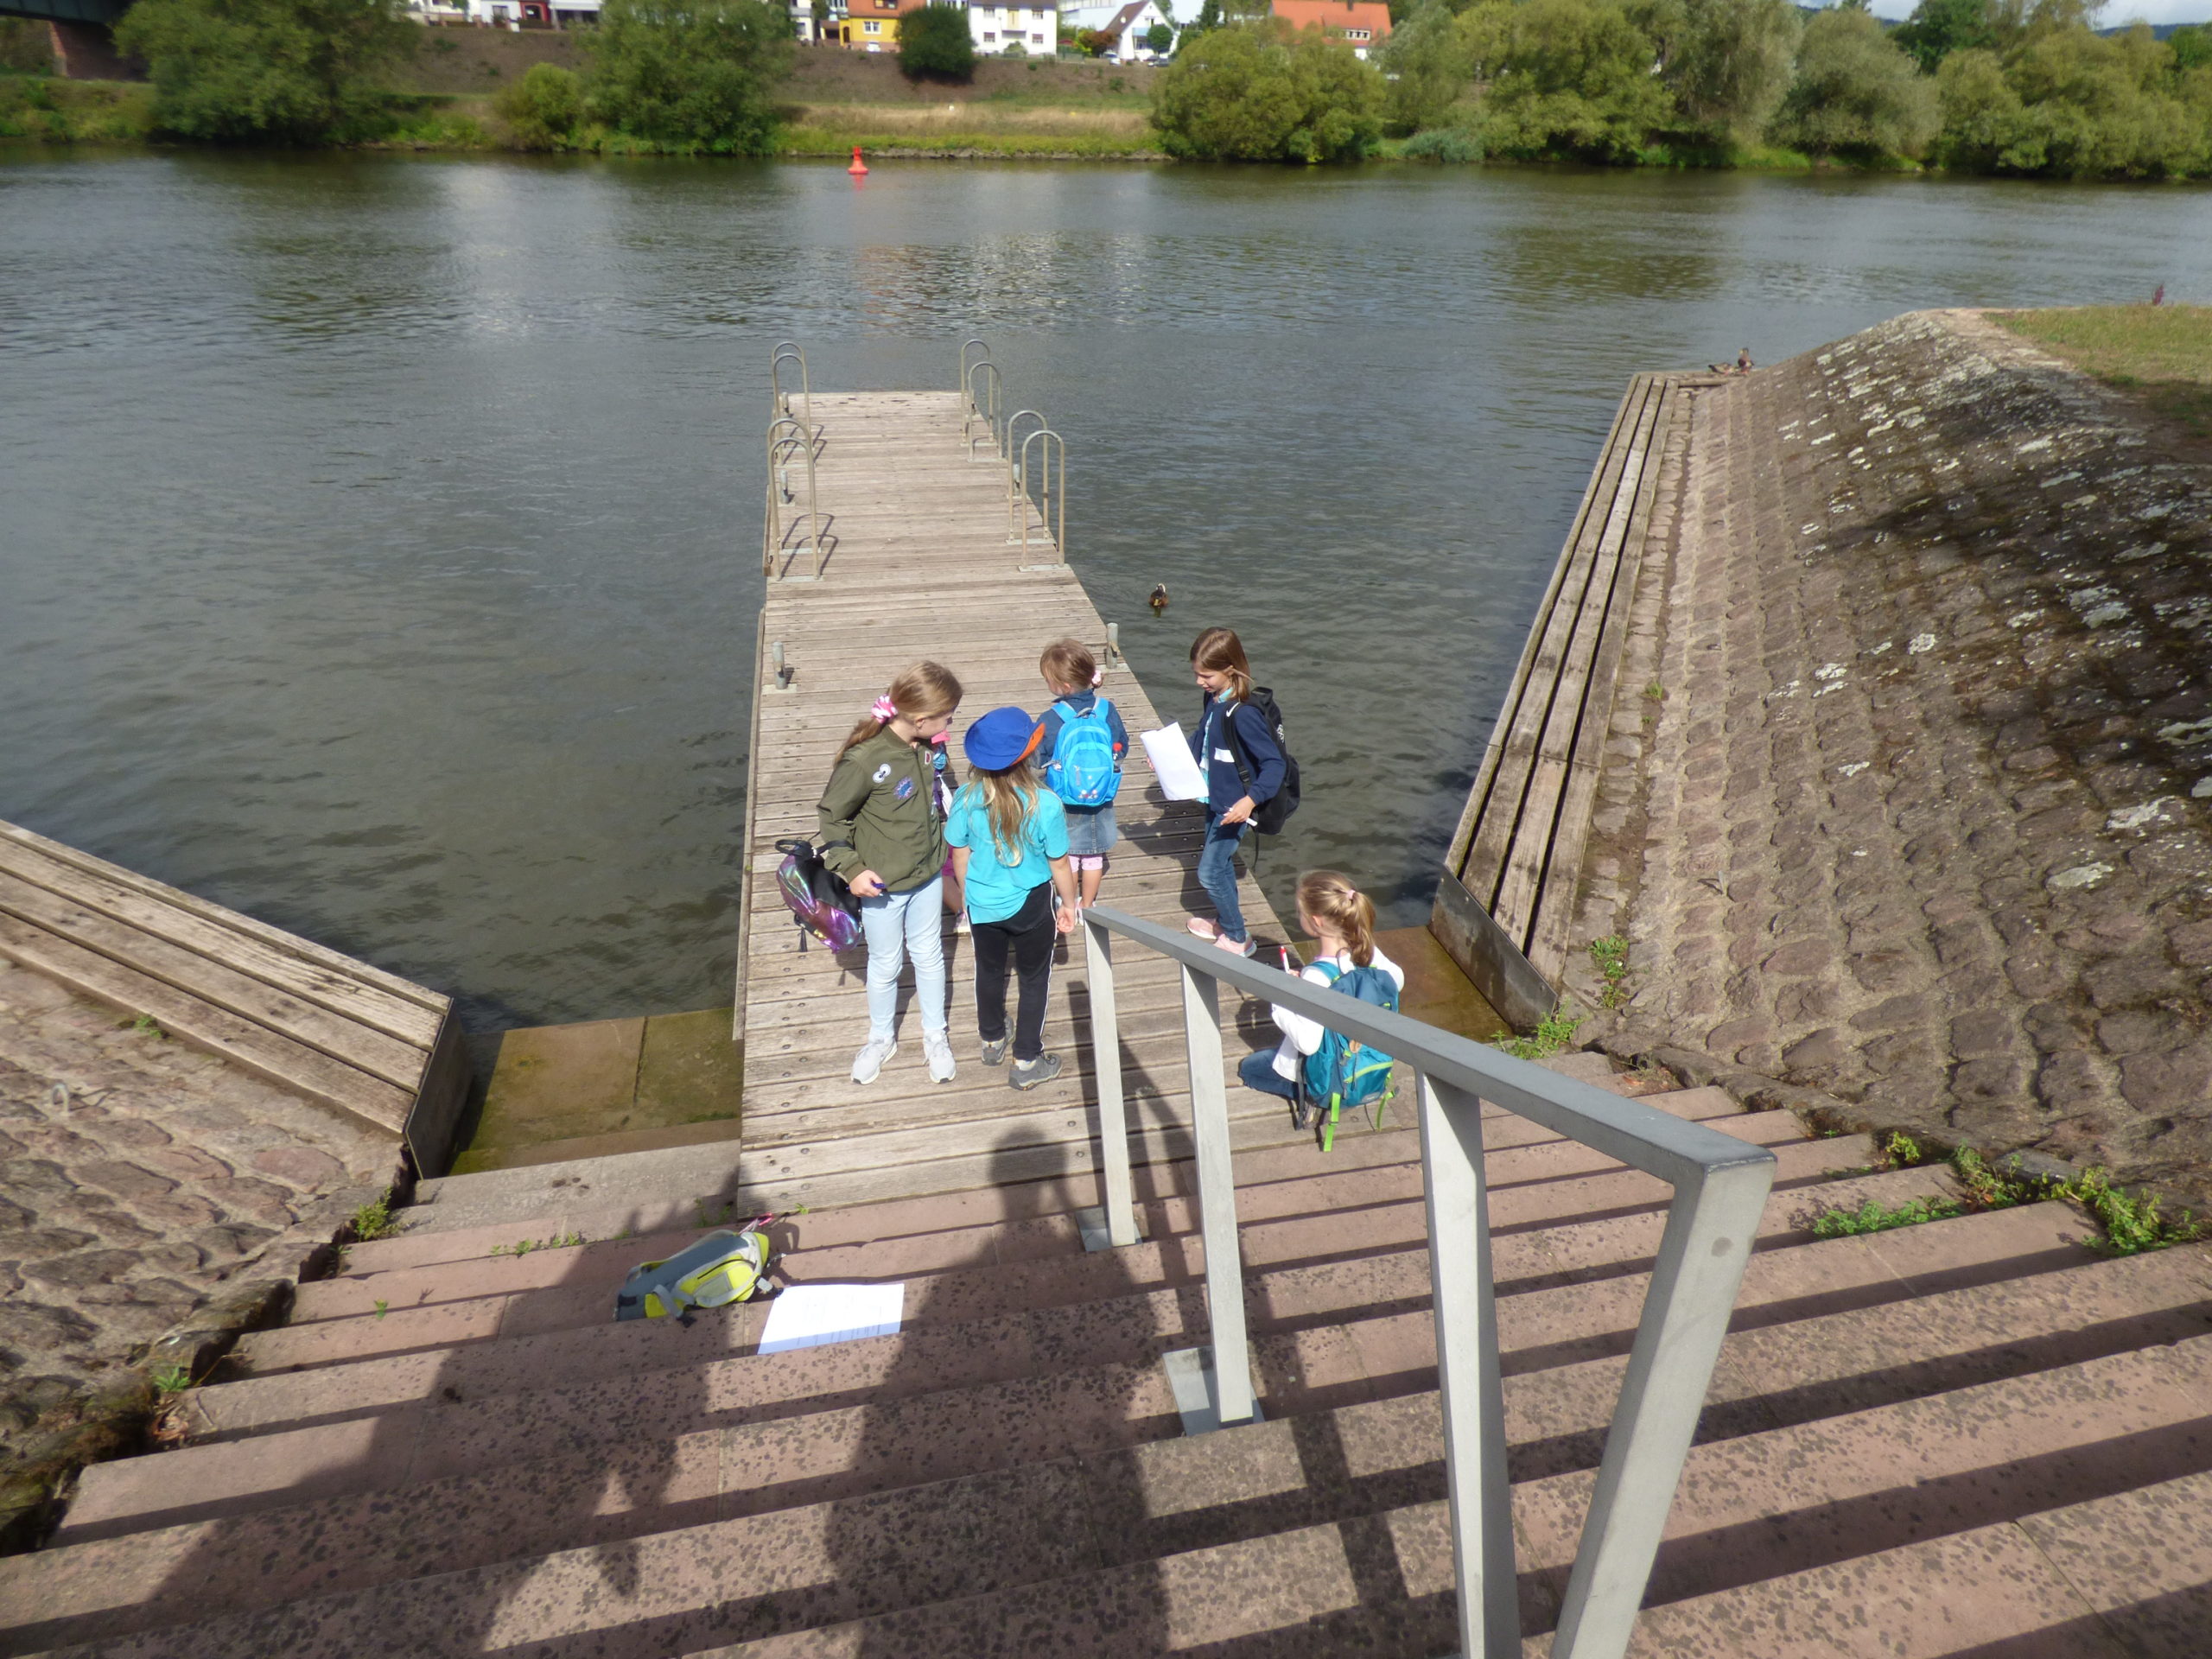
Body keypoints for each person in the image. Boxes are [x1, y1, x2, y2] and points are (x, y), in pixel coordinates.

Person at [817, 662, 963, 1087]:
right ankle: (881, 1038)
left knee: (929, 954)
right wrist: (852, 869)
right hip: (882, 886)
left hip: (928, 874)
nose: (951, 722)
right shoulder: (865, 761)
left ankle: (935, 1035)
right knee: (885, 963)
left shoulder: (927, 746)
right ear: (920, 718)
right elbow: (831, 818)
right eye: (948, 715)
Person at [946, 707, 1079, 1091]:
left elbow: (959, 854)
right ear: (1029, 755)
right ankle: (1026, 1060)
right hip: (1031, 904)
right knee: (1033, 980)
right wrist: (1069, 905)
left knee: (988, 970)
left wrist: (969, 897)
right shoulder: (1046, 803)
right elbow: (1059, 865)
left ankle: (991, 1039)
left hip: (982, 903)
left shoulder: (967, 797)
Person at [1238, 870, 1404, 1103]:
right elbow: (1398, 980)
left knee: (1249, 1068)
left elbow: (1308, 1044)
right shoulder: (1369, 952)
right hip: (1366, 1063)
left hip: (1331, 1080)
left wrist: (1281, 998)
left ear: (1315, 921)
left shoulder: (1316, 976)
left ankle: (1311, 1096)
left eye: (1300, 913)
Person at [1185, 626, 1284, 959]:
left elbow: (1273, 765)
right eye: (1196, 674)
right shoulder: (1214, 697)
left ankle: (1239, 937)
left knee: (1210, 872)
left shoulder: (1244, 715)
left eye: (1206, 675)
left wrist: (1250, 800)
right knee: (1222, 863)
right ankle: (1228, 923)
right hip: (1214, 795)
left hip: (1235, 805)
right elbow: (1205, 736)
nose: (1199, 681)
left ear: (1230, 670)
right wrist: (1174, 758)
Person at [1036, 637, 1128, 919]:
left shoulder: (1052, 717)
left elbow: (1038, 757)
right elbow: (1122, 745)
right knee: (1093, 856)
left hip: (1065, 798)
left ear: (1063, 687)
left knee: (1067, 854)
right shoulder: (1106, 709)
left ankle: (1068, 900)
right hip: (1101, 796)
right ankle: (1088, 904)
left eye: (1049, 680)